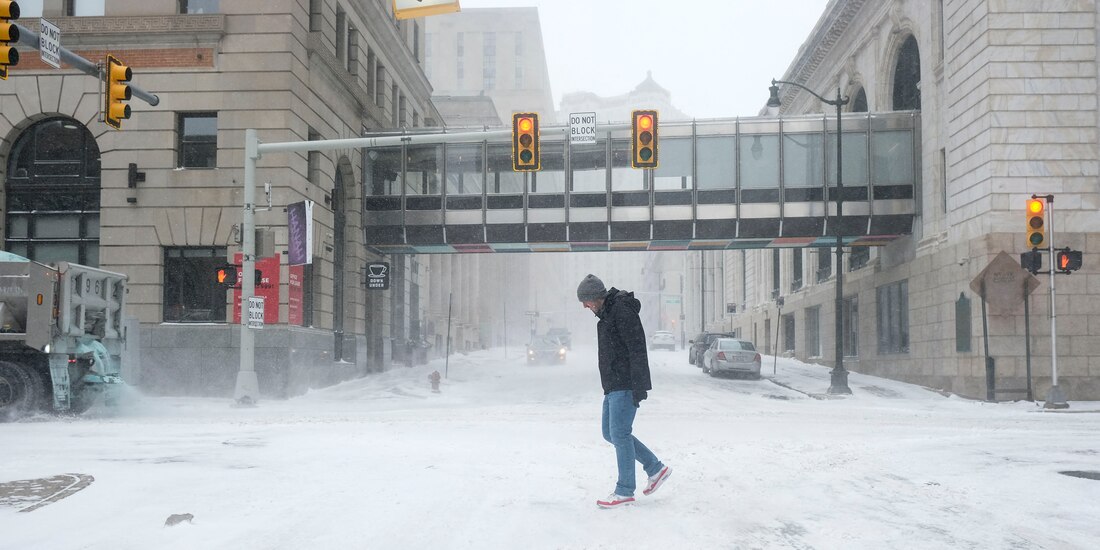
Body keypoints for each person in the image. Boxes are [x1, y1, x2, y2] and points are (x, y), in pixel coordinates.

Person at [577, 274, 672, 508]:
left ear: (595, 297)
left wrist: (639, 386)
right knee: (611, 434)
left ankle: (625, 490)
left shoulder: (621, 310)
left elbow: (636, 347)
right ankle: (655, 468)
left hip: (625, 383)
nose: (584, 306)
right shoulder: (608, 313)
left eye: (586, 301)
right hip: (613, 385)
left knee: (619, 433)